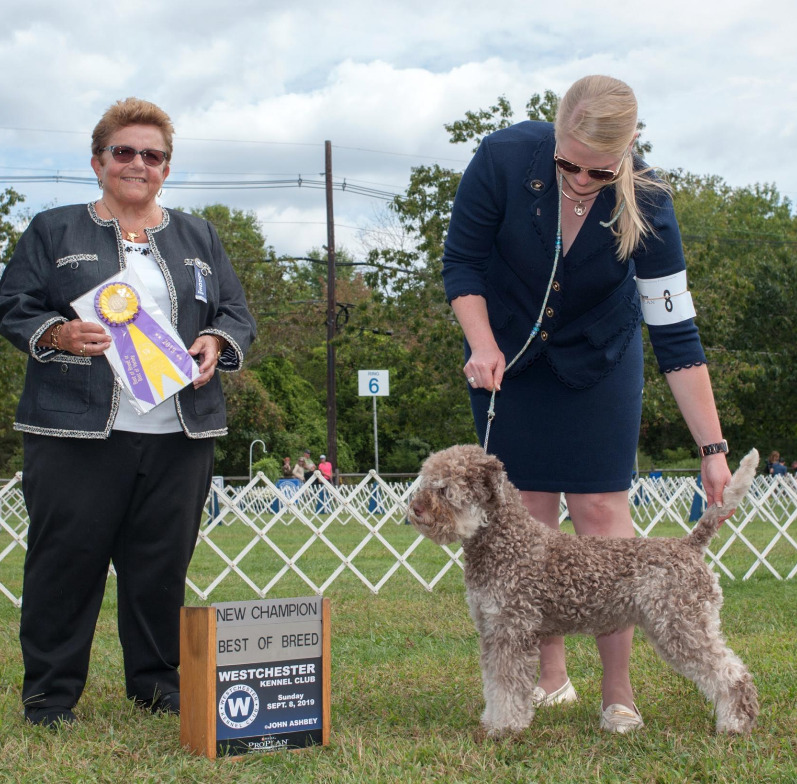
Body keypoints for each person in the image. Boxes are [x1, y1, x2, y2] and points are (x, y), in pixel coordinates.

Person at [442, 75, 732, 733]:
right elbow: (461, 261)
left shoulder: (651, 203)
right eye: (566, 162)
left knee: (602, 512)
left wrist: (711, 448)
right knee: (526, 521)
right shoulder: (503, 159)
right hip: (507, 361)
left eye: (598, 172)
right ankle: (549, 681)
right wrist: (481, 344)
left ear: (628, 151)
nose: (578, 179)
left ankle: (617, 690)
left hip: (601, 363)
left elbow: (675, 333)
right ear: (553, 133)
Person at [0, 97, 256, 728]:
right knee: (66, 563)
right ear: (98, 161)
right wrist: (57, 334)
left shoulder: (199, 235)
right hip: (76, 430)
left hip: (180, 433)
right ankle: (50, 697)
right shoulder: (53, 230)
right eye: (124, 152)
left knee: (160, 566)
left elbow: (237, 313)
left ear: (166, 168)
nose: (138, 164)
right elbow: (13, 305)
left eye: (153, 155)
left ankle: (156, 685)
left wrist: (218, 342)